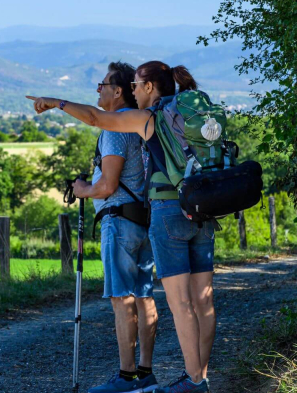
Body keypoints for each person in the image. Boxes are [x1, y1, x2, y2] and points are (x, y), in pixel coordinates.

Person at [27, 61, 215, 393]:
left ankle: (168, 380)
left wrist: (56, 103)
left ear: (145, 88)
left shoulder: (138, 122)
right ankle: (191, 376)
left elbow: (102, 146)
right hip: (194, 208)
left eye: (133, 85)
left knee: (159, 301)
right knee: (193, 300)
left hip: (152, 214)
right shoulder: (184, 114)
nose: (130, 90)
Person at [73, 62, 159, 393]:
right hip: (142, 220)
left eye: (103, 84)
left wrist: (83, 190)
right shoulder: (139, 127)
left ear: (118, 90)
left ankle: (125, 378)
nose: (98, 90)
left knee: (122, 298)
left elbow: (107, 185)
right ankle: (145, 372)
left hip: (118, 221)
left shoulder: (114, 129)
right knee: (143, 294)